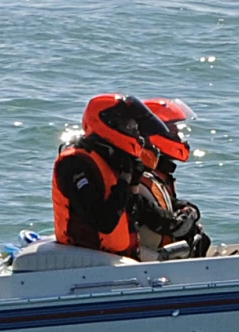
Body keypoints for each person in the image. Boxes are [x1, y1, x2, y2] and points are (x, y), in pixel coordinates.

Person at [53, 95, 210, 260]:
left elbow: (140, 209)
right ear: (109, 124)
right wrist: (125, 179)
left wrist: (185, 215)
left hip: (116, 257)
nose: (136, 134)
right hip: (88, 259)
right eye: (130, 127)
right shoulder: (74, 164)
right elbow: (104, 221)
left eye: (135, 127)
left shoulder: (114, 162)